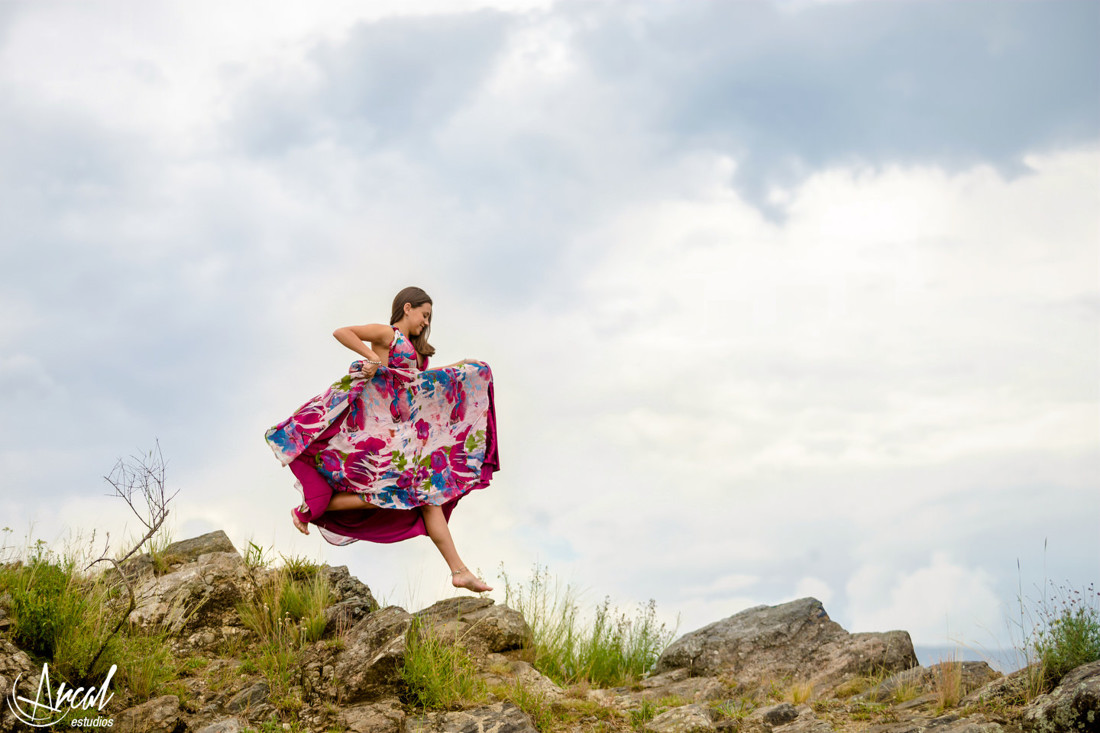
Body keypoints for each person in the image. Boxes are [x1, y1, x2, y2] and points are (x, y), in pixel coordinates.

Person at [264, 286, 499, 593]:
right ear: (407, 308)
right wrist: (372, 356)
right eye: (424, 315)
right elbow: (342, 332)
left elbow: (414, 383)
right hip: (376, 435)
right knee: (403, 495)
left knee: (426, 499)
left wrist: (458, 369)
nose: (426, 323)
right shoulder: (388, 335)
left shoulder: (413, 351)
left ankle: (460, 571)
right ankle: (311, 507)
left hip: (401, 440)